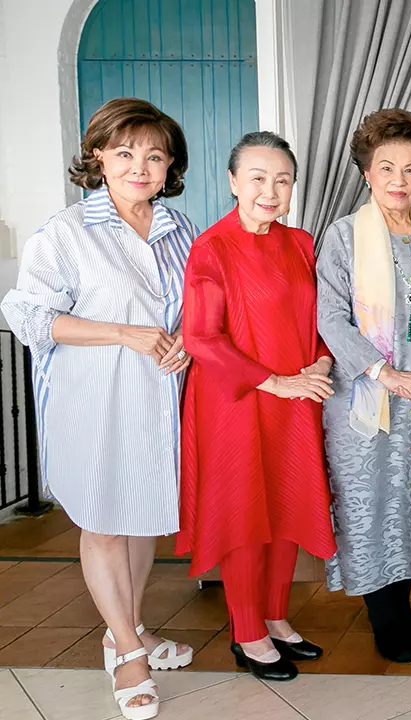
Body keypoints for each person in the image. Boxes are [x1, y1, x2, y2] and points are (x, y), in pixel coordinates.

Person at [1, 97, 197, 719]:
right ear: (98, 157)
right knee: (105, 523)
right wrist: (121, 333)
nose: (140, 167)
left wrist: (188, 337)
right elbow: (28, 315)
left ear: (169, 166)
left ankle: (126, 630)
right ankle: (130, 656)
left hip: (159, 398)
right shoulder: (65, 232)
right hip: (92, 397)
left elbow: (198, 304)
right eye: (124, 153)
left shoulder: (181, 230)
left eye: (155, 156)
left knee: (140, 517)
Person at [178, 131, 336, 682]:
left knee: (288, 506)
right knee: (246, 513)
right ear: (233, 182)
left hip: (298, 394)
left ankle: (274, 616)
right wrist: (275, 383)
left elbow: (318, 319)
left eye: (282, 180)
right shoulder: (211, 247)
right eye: (258, 178)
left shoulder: (301, 243)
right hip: (237, 400)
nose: (270, 191)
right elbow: (201, 338)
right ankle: (246, 631)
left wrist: (321, 362)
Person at [315, 109, 411, 664]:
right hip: (366, 398)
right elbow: (330, 318)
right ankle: (383, 617)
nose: (399, 179)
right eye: (386, 167)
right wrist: (386, 374)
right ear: (367, 173)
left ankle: (401, 607)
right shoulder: (342, 238)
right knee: (372, 502)